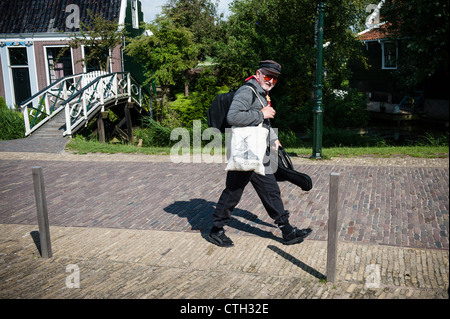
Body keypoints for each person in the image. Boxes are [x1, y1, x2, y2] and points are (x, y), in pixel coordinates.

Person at [208, 60, 312, 247]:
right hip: (246, 150)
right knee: (234, 190)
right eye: (268, 76)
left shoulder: (261, 93)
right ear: (258, 73)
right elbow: (234, 117)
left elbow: (261, 124)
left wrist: (273, 139)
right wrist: (261, 114)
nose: (271, 80)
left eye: (275, 78)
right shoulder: (247, 91)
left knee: (270, 189)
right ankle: (216, 230)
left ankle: (287, 230)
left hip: (257, 150)